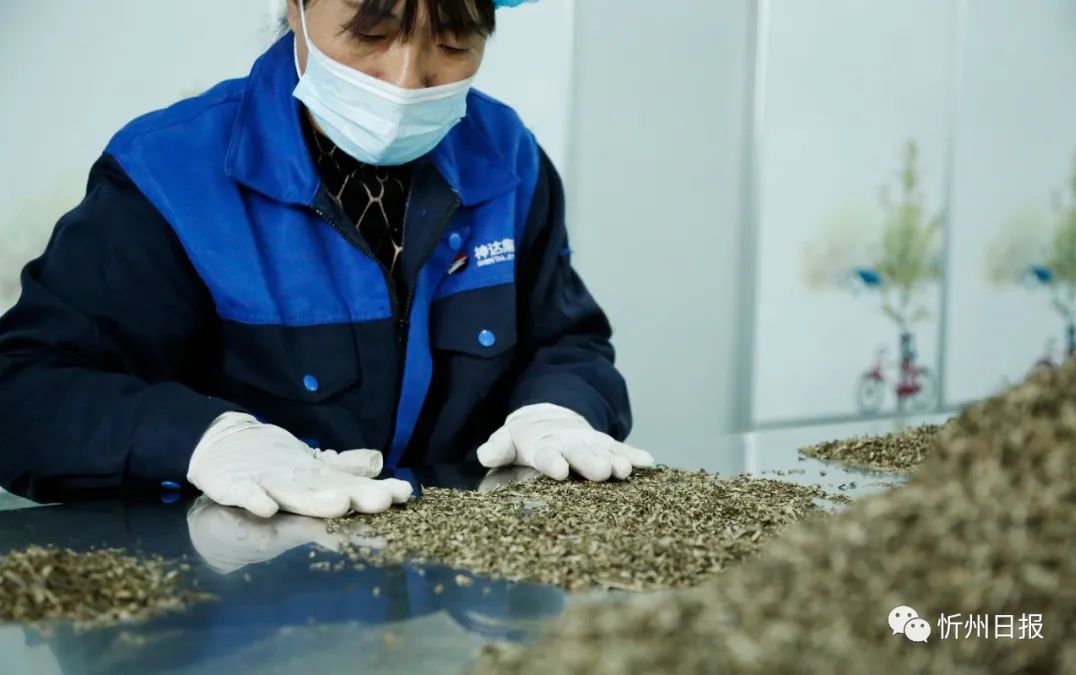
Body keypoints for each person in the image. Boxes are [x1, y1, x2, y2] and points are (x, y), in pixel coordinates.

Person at [0, 0, 652, 519]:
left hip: (453, 597)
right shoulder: (169, 172)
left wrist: (559, 408)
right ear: (297, 8)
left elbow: (567, 341)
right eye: (370, 34)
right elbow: (23, 390)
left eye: (453, 43)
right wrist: (202, 439)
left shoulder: (507, 158)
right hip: (234, 595)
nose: (406, 80)